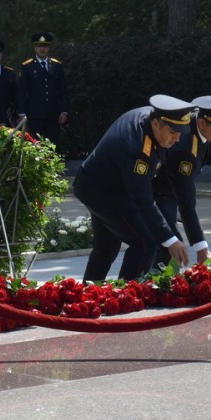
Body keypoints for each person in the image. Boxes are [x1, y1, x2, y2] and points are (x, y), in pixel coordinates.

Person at [73, 95, 195, 282]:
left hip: (99, 183)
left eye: (180, 132)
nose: (177, 138)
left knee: (106, 245)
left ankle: (89, 293)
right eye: (173, 132)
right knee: (146, 242)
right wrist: (170, 240)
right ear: (156, 124)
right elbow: (142, 200)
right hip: (101, 191)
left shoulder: (148, 117)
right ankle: (128, 296)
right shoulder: (138, 150)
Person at [152, 96, 211, 265]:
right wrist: (202, 248)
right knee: (171, 247)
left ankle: (152, 284)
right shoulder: (185, 147)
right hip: (153, 191)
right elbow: (187, 200)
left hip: (167, 191)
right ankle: (142, 288)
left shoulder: (198, 128)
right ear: (201, 123)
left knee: (169, 248)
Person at [18, 32, 68, 146]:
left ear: (49, 48)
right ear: (34, 47)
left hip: (53, 113)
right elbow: (21, 91)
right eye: (39, 46)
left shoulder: (57, 65)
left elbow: (63, 90)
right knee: (36, 145)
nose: (42, 49)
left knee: (53, 145)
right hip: (34, 114)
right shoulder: (27, 66)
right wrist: (21, 112)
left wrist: (64, 111)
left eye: (44, 46)